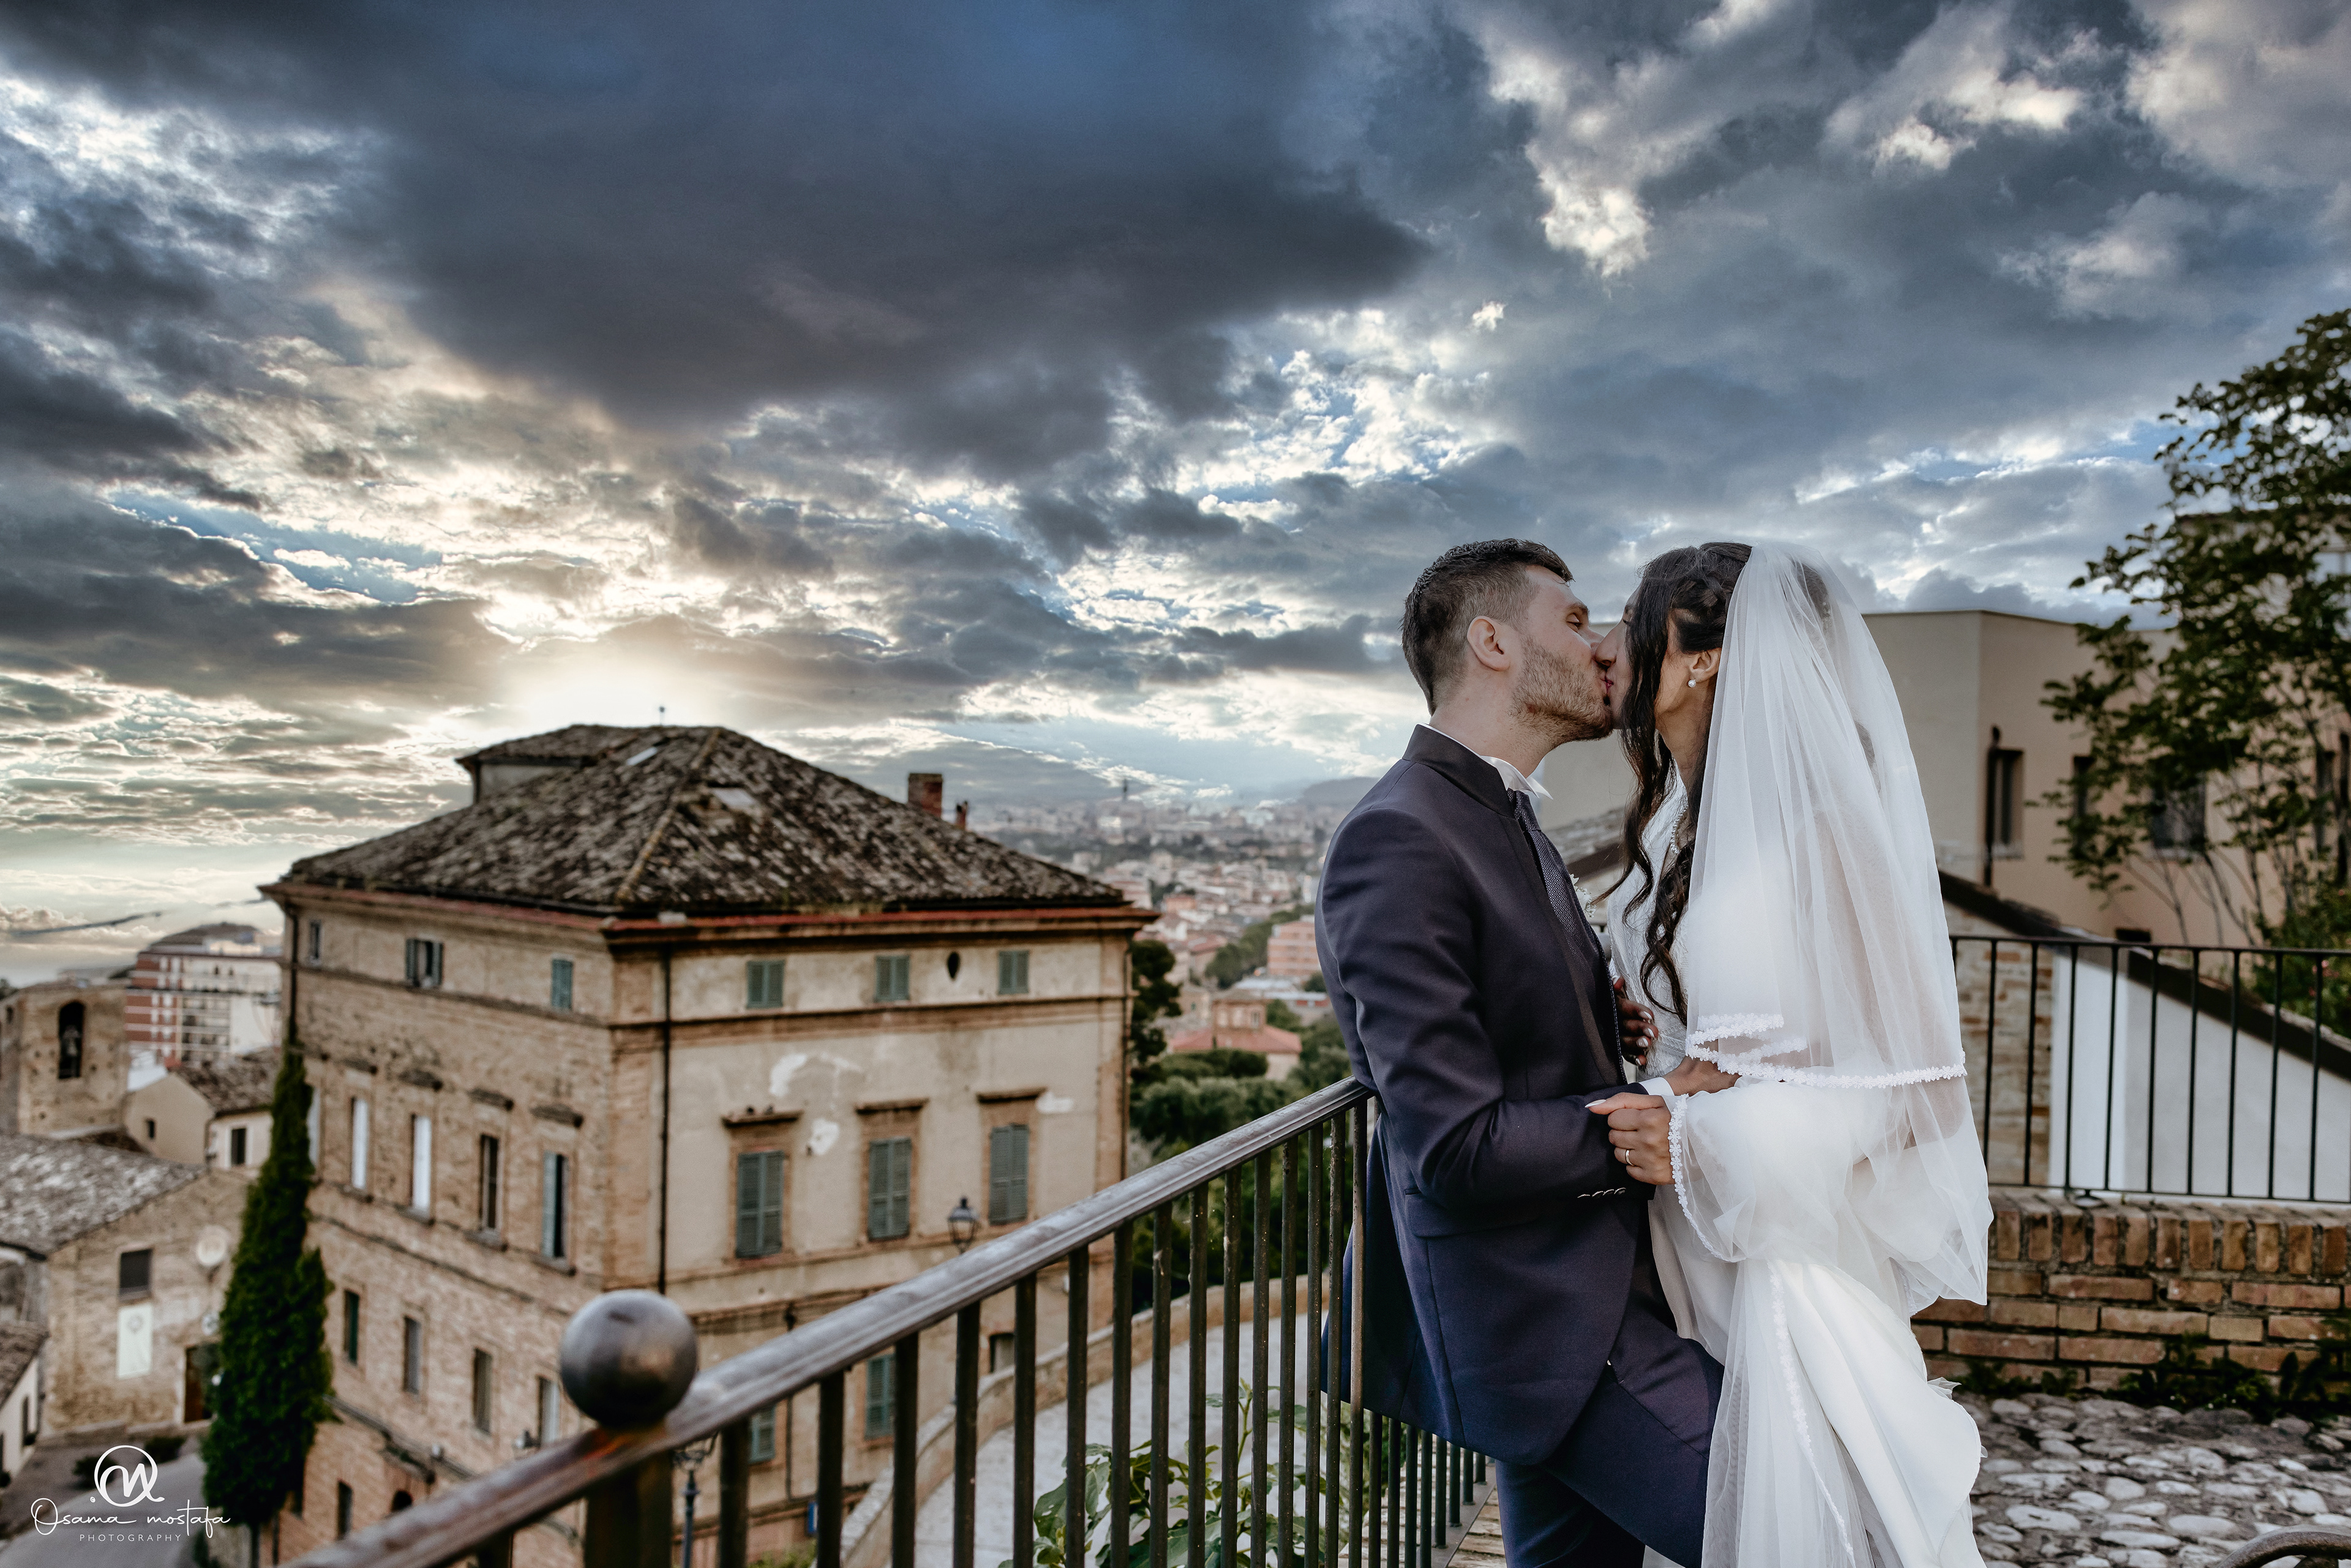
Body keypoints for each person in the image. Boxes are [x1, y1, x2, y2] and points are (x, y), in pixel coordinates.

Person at [1316, 538, 1734, 1568]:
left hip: (1588, 1285)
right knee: (1792, 1522)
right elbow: (1451, 1146)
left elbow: (1508, 1019)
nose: (1606, 646)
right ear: (1494, 642)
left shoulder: (1503, 813)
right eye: (1576, 620)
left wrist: (1600, 1022)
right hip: (1543, 1319)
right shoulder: (1399, 836)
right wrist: (1653, 1109)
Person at [1599, 540, 1992, 1566]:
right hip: (1686, 1248)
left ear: (1702, 660)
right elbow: (1740, 1033)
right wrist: (1643, 1035)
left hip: (1784, 1264)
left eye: (1634, 624)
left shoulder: (1823, 829)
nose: (1609, 645)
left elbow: (1921, 1090)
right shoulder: (1679, 828)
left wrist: (1703, 1136)